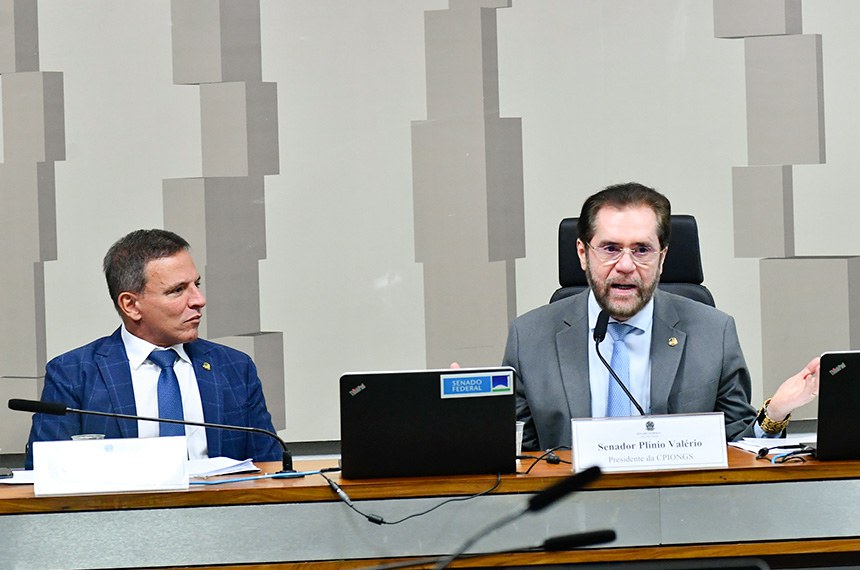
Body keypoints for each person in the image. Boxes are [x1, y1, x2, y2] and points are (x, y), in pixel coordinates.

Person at [504, 182, 819, 451]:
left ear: (663, 257)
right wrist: (468, 420)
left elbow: (738, 448)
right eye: (610, 248)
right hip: (574, 515)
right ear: (583, 254)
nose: (626, 265)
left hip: (679, 511)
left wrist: (777, 411)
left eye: (642, 250)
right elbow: (517, 457)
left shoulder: (713, 333)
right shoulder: (530, 338)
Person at [24, 229, 281, 469]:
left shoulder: (234, 367)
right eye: (177, 290)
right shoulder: (74, 373)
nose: (199, 300)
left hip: (223, 513)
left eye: (196, 285)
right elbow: (46, 472)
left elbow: (270, 466)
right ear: (131, 305)